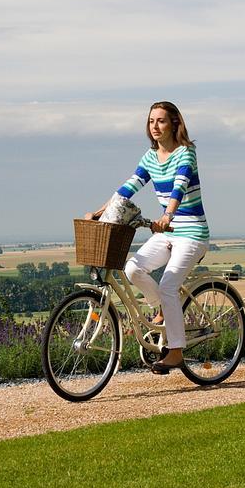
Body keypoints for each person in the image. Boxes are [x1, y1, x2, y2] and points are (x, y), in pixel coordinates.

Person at [85, 101, 209, 374]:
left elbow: (180, 186)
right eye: (152, 121)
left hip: (191, 232)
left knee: (167, 284)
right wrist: (99, 211)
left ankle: (175, 351)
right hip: (168, 232)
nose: (155, 126)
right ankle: (163, 308)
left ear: (175, 124)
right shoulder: (150, 157)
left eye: (161, 121)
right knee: (133, 268)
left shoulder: (186, 153)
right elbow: (128, 188)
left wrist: (168, 215)